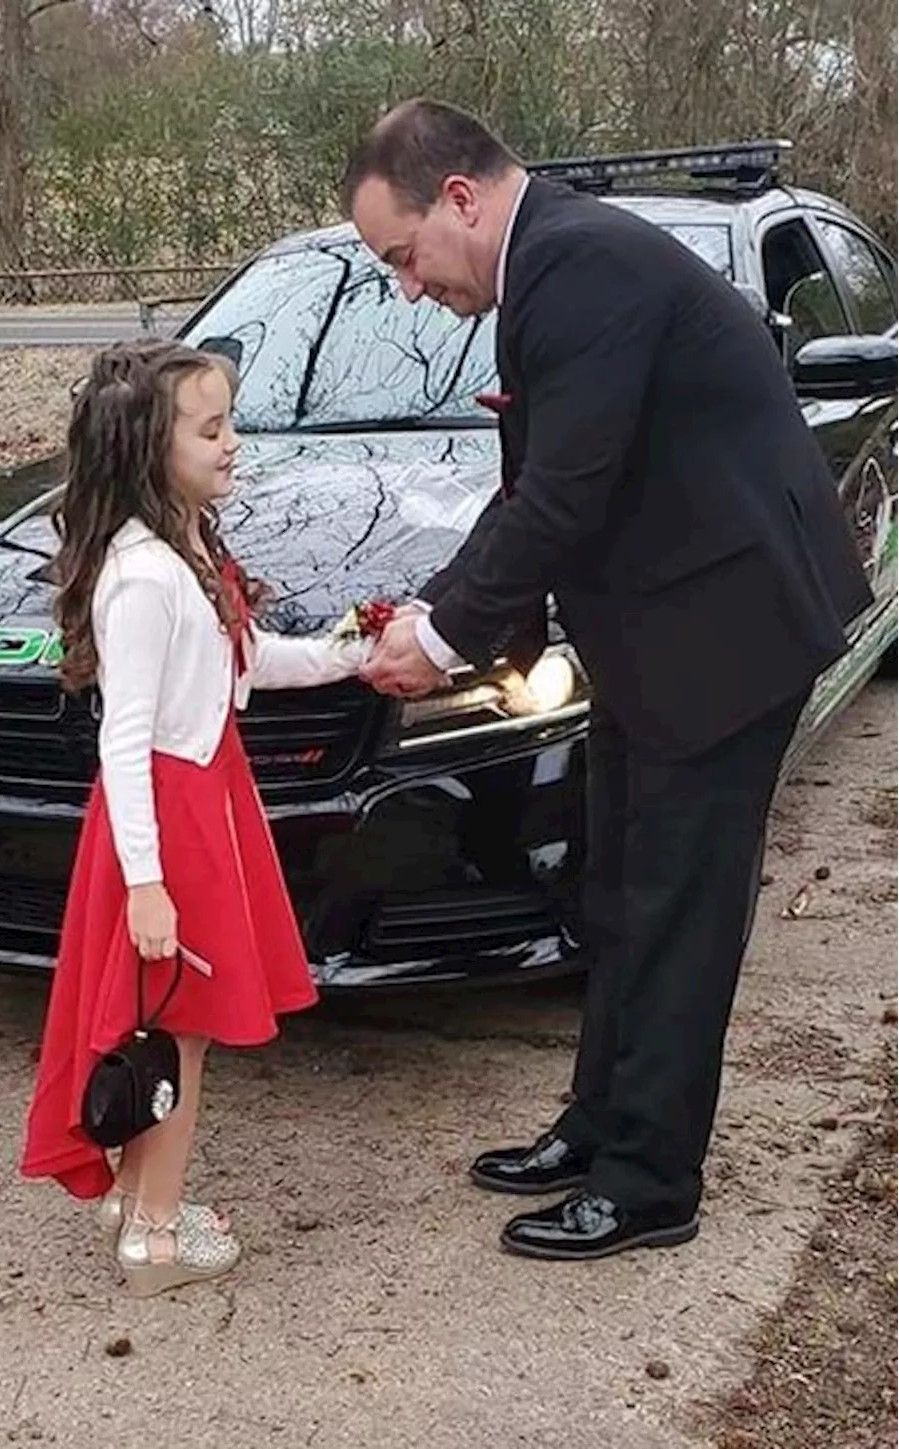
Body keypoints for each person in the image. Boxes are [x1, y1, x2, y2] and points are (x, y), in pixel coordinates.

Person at [343, 99, 874, 1261]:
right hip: (658, 625)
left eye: (402, 254)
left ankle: (647, 1183)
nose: (407, 285)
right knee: (619, 888)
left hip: (726, 628)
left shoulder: (577, 268)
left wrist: (435, 648)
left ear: (460, 201)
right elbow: (541, 483)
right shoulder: (549, 265)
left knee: (676, 909)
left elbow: (564, 493)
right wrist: (444, 608)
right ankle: (597, 1125)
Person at [20, 338, 374, 1296]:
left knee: (170, 1021)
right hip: (170, 825)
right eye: (211, 428)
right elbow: (122, 741)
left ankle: (135, 1198)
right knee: (178, 1030)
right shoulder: (141, 580)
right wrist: (146, 881)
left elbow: (247, 662)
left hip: (203, 805)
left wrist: (355, 652)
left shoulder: (188, 552)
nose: (232, 443)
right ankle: (158, 1238)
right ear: (145, 446)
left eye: (231, 423)